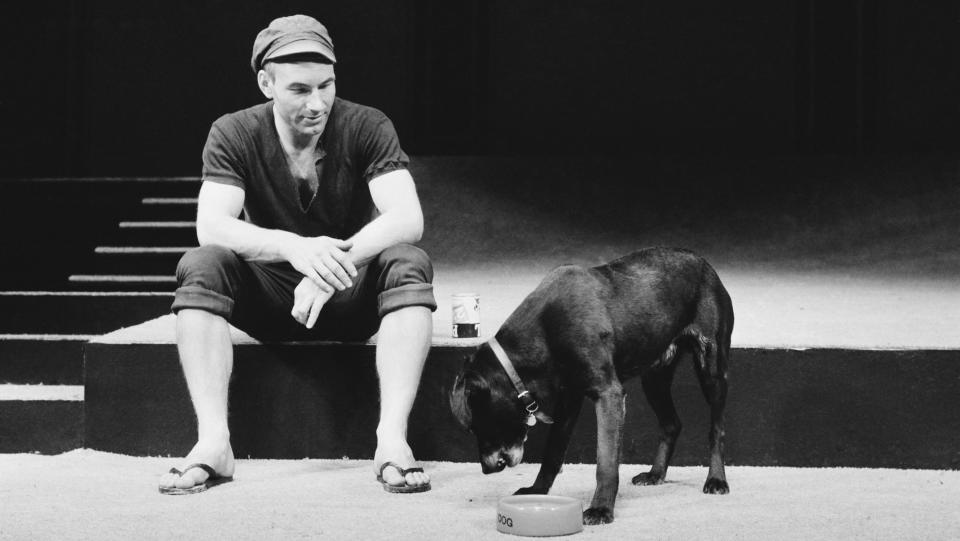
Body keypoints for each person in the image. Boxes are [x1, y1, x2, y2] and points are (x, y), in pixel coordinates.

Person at [158, 14, 436, 495]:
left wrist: (330, 270)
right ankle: (214, 443)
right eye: (299, 89)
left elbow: (407, 216)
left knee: (408, 259)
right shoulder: (233, 132)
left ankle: (392, 440)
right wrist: (295, 248)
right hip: (271, 294)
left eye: (326, 86)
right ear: (266, 83)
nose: (317, 102)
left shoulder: (367, 125)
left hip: (347, 292)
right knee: (201, 266)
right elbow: (212, 226)